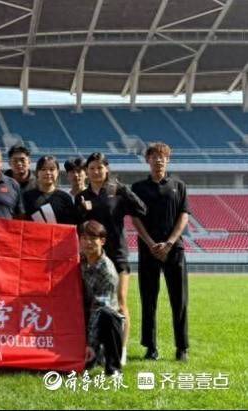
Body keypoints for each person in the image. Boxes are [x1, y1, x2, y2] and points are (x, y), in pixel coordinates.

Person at [75, 152, 146, 365]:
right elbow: (77, 226)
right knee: (93, 303)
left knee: (120, 302)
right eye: (92, 168)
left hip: (117, 254)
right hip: (91, 256)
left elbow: (142, 209)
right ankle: (95, 348)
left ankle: (120, 349)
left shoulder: (116, 191)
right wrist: (81, 211)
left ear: (107, 169)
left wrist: (125, 190)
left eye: (100, 167)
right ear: (86, 172)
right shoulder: (83, 196)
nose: (96, 171)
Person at [131, 142, 190, 362]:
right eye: (154, 156)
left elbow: (184, 215)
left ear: (168, 160)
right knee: (148, 300)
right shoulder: (138, 188)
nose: (158, 160)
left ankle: (182, 347)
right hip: (148, 250)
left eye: (162, 156)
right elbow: (135, 218)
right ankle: (151, 347)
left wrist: (170, 243)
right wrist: (150, 243)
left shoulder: (179, 186)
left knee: (179, 299)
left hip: (174, 250)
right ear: (147, 160)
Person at [79, 220, 124, 376]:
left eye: (93, 239)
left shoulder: (107, 271)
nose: (88, 243)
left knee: (108, 315)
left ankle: (113, 368)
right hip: (85, 315)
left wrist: (90, 344)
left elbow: (98, 309)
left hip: (102, 321)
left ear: (102, 241)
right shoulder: (81, 260)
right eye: (84, 238)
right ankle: (94, 356)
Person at [23, 156, 78, 225]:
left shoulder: (65, 198)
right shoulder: (27, 197)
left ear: (57, 172)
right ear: (37, 172)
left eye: (52, 169)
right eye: (43, 169)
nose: (48, 172)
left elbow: (71, 225)